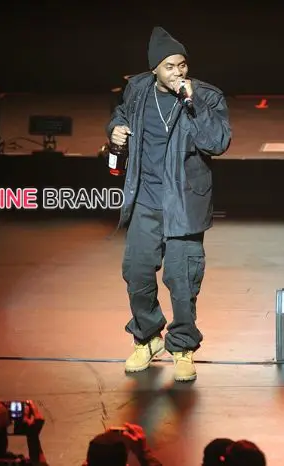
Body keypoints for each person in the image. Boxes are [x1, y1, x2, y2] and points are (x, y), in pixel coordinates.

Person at [106, 26, 232, 382]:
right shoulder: (137, 89)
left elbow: (218, 142)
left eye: (182, 65)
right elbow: (121, 114)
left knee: (183, 280)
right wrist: (115, 128)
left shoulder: (206, 96)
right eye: (170, 66)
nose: (178, 72)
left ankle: (182, 347)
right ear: (154, 70)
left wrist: (193, 104)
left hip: (184, 204)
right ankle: (147, 339)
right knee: (137, 274)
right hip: (146, 201)